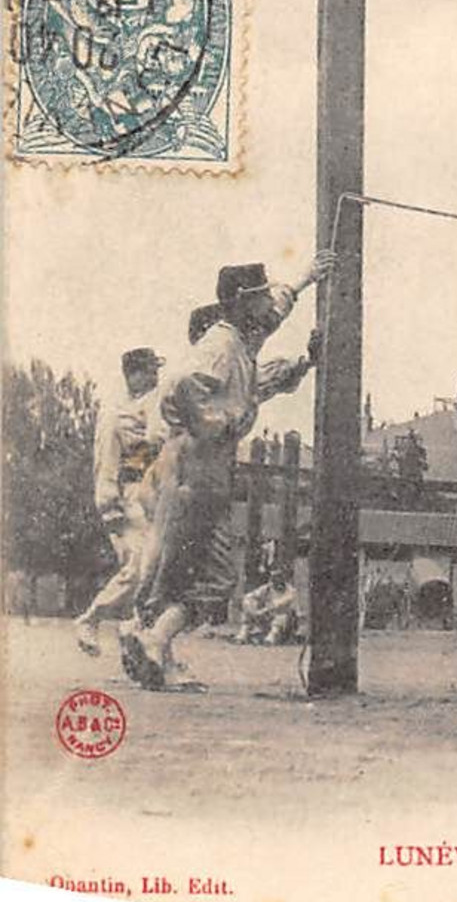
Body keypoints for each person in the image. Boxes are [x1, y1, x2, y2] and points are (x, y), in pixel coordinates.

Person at [120, 253, 333, 690]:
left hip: (184, 473)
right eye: (257, 297)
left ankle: (150, 646)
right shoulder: (219, 347)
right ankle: (152, 639)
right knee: (209, 576)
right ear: (239, 303)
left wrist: (306, 284)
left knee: (169, 570)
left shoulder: (237, 343)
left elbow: (262, 360)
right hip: (191, 473)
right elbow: (181, 389)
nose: (265, 307)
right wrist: (219, 426)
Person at [73, 347, 165, 656]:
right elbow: (106, 464)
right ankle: (90, 619)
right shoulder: (114, 416)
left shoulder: (148, 409)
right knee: (138, 570)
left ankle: (131, 640)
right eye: (149, 371)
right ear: (133, 374)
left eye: (156, 371)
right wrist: (109, 507)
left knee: (149, 572)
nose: (154, 378)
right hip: (126, 498)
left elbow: (151, 450)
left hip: (149, 495)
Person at [236, 567, 300, 645]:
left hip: (286, 625)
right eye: (274, 577)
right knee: (249, 609)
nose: (276, 579)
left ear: (285, 578)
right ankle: (243, 635)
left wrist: (262, 611)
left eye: (279, 576)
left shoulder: (291, 591)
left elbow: (277, 604)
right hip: (269, 618)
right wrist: (249, 606)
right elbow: (251, 596)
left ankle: (271, 638)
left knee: (281, 615)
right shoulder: (267, 588)